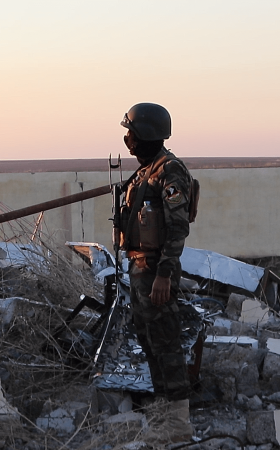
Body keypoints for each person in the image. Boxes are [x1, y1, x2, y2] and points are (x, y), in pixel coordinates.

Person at [116, 102, 194, 443]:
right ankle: (165, 415)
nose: (127, 141)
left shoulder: (169, 172)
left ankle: (178, 424)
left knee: (166, 342)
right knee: (149, 341)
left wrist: (164, 274)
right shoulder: (145, 172)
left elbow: (177, 229)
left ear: (146, 134)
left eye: (131, 134)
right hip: (140, 268)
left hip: (155, 271)